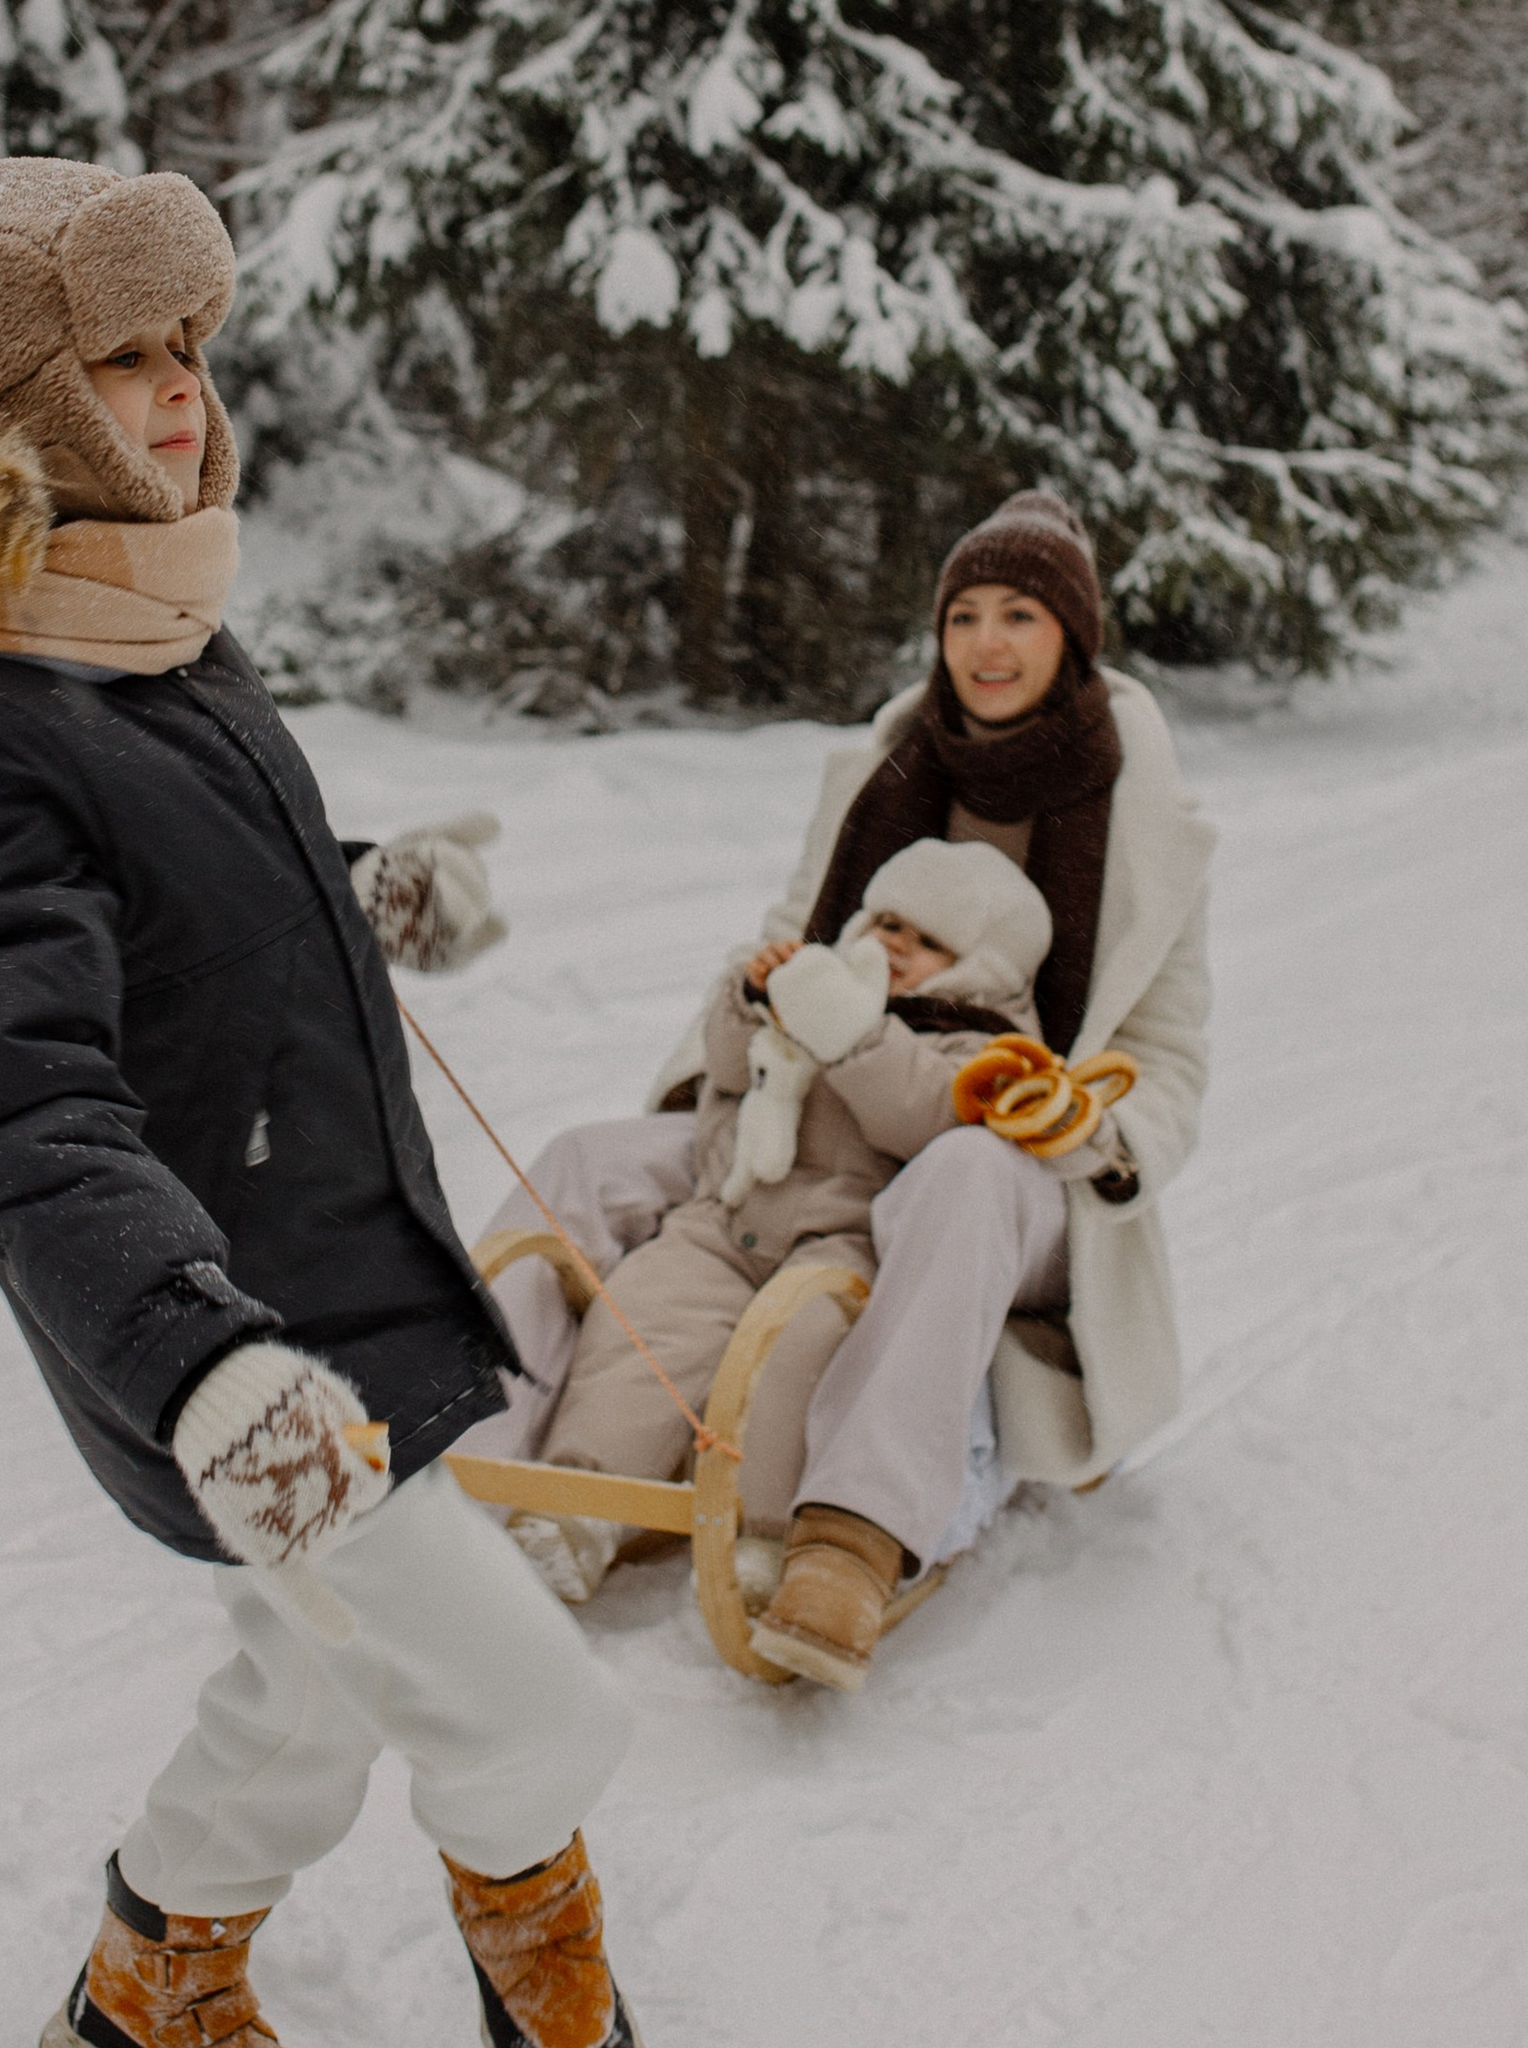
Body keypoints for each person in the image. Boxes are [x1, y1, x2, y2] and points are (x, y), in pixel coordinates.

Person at [0, 157, 642, 2048]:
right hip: (224, 1352)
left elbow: (194, 908)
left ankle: (152, 1985)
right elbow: (14, 1105)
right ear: (4, 409)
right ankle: (521, 1892)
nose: (180, 392)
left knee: (303, 1692)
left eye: (185, 347)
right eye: (117, 359)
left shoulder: (131, 621)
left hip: (331, 1266)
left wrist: (366, 885)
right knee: (528, 1704)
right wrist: (207, 1372)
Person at [479, 489, 1213, 1692]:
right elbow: (790, 939)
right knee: (590, 1161)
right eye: (963, 614)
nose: (985, 644)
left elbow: (1171, 1055)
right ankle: (461, 1435)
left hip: (1016, 1161)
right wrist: (733, 1077)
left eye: (1018, 616)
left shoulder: (1141, 819)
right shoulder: (889, 769)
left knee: (966, 1168)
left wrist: (1095, 1129)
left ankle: (851, 1531)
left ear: (1071, 638)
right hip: (813, 1108)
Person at [514, 836, 1053, 1646]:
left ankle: (767, 1535)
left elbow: (924, 1116)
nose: (893, 946)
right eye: (887, 922)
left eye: (926, 940)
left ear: (979, 965)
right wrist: (748, 996)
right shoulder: (816, 986)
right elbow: (728, 1073)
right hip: (724, 1220)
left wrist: (859, 1036)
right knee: (645, 1326)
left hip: (840, 1241)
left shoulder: (975, 1040)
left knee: (797, 1357)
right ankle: (581, 1502)